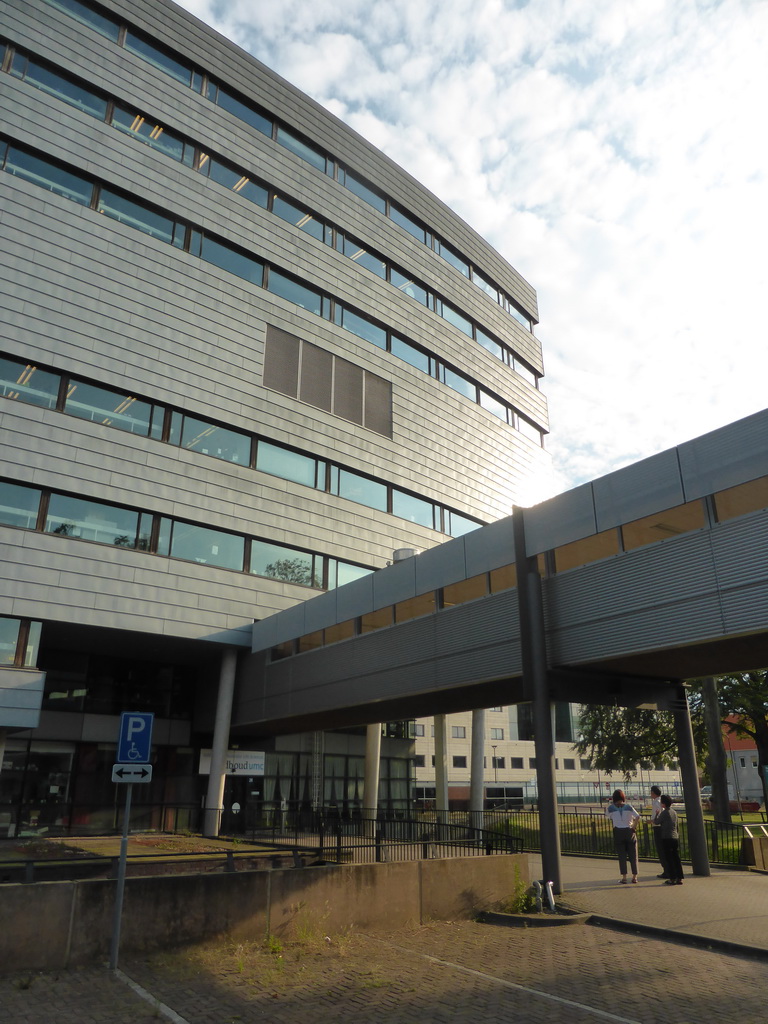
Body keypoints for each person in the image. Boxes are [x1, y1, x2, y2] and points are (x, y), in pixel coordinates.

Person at [606, 788, 641, 883]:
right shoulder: (628, 807)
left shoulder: (610, 808)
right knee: (633, 854)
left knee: (622, 856)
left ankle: (624, 877)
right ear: (623, 797)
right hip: (629, 831)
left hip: (618, 831)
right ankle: (635, 877)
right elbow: (638, 816)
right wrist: (633, 826)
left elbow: (608, 816)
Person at [656, 794, 684, 884]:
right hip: (674, 836)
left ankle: (672, 878)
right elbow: (676, 825)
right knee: (676, 858)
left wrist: (657, 814)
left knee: (669, 858)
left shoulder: (664, 813)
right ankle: (679, 877)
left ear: (663, 803)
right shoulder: (674, 812)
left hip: (666, 837)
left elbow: (657, 822)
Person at [649, 785, 670, 879]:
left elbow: (657, 815)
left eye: (651, 792)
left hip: (658, 827)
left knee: (661, 849)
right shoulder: (660, 801)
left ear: (653, 793)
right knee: (664, 849)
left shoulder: (656, 802)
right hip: (663, 827)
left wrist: (652, 820)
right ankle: (668, 870)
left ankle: (666, 870)